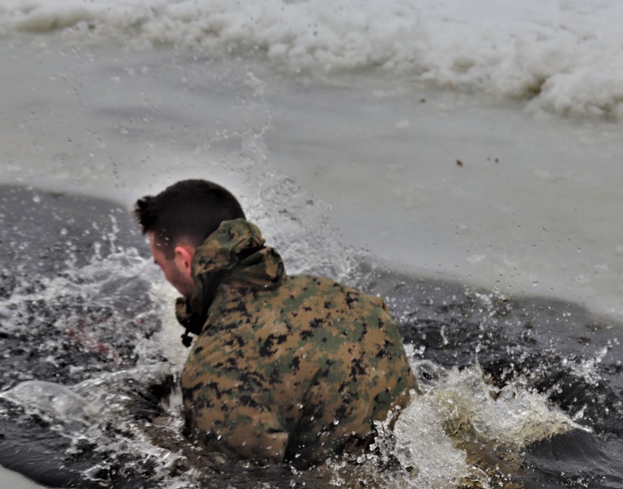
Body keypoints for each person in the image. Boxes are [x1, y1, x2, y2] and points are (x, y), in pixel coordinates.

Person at [134, 179, 417, 469]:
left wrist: (158, 437)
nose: (164, 275)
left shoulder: (219, 363)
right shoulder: (354, 301)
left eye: (161, 264)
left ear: (183, 260)